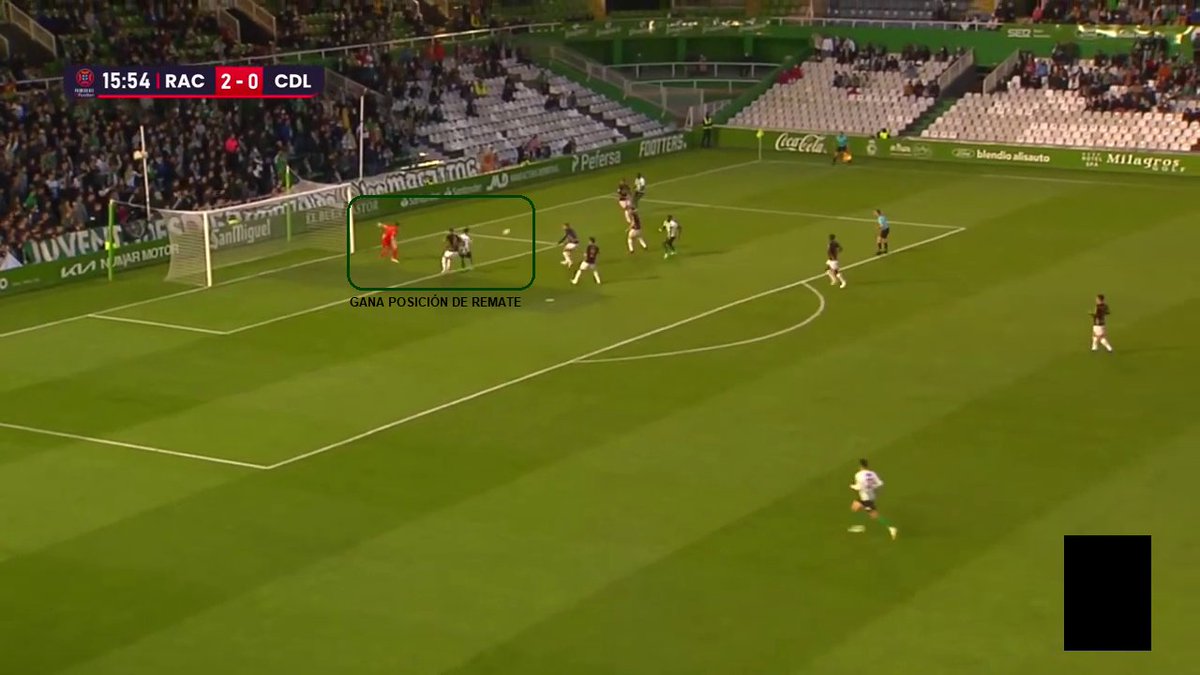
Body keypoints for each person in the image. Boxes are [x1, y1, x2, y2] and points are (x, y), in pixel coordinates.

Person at [848, 459, 898, 540]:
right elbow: (880, 483)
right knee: (854, 507)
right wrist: (872, 487)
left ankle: (891, 527)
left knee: (874, 515)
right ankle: (861, 526)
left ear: (860, 466)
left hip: (866, 498)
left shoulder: (858, 475)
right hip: (870, 496)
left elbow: (859, 487)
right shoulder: (872, 473)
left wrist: (852, 486)